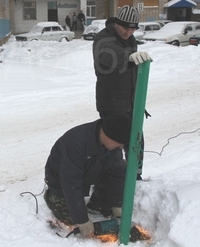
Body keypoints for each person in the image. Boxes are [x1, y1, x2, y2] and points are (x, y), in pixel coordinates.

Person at [44, 113, 132, 238]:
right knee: (71, 218)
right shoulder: (76, 143)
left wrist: (117, 204)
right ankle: (52, 196)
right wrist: (82, 219)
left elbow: (116, 174)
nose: (121, 147)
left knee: (105, 206)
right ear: (107, 135)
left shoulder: (113, 147)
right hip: (60, 179)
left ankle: (96, 203)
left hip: (89, 171)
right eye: (119, 143)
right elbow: (71, 183)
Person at [92, 5, 152, 181]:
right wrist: (128, 57)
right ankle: (109, 181)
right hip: (111, 103)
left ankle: (136, 175)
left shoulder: (130, 39)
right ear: (116, 23)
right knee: (112, 145)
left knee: (136, 140)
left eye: (133, 28)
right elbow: (107, 54)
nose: (129, 32)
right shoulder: (103, 38)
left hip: (130, 102)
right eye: (125, 27)